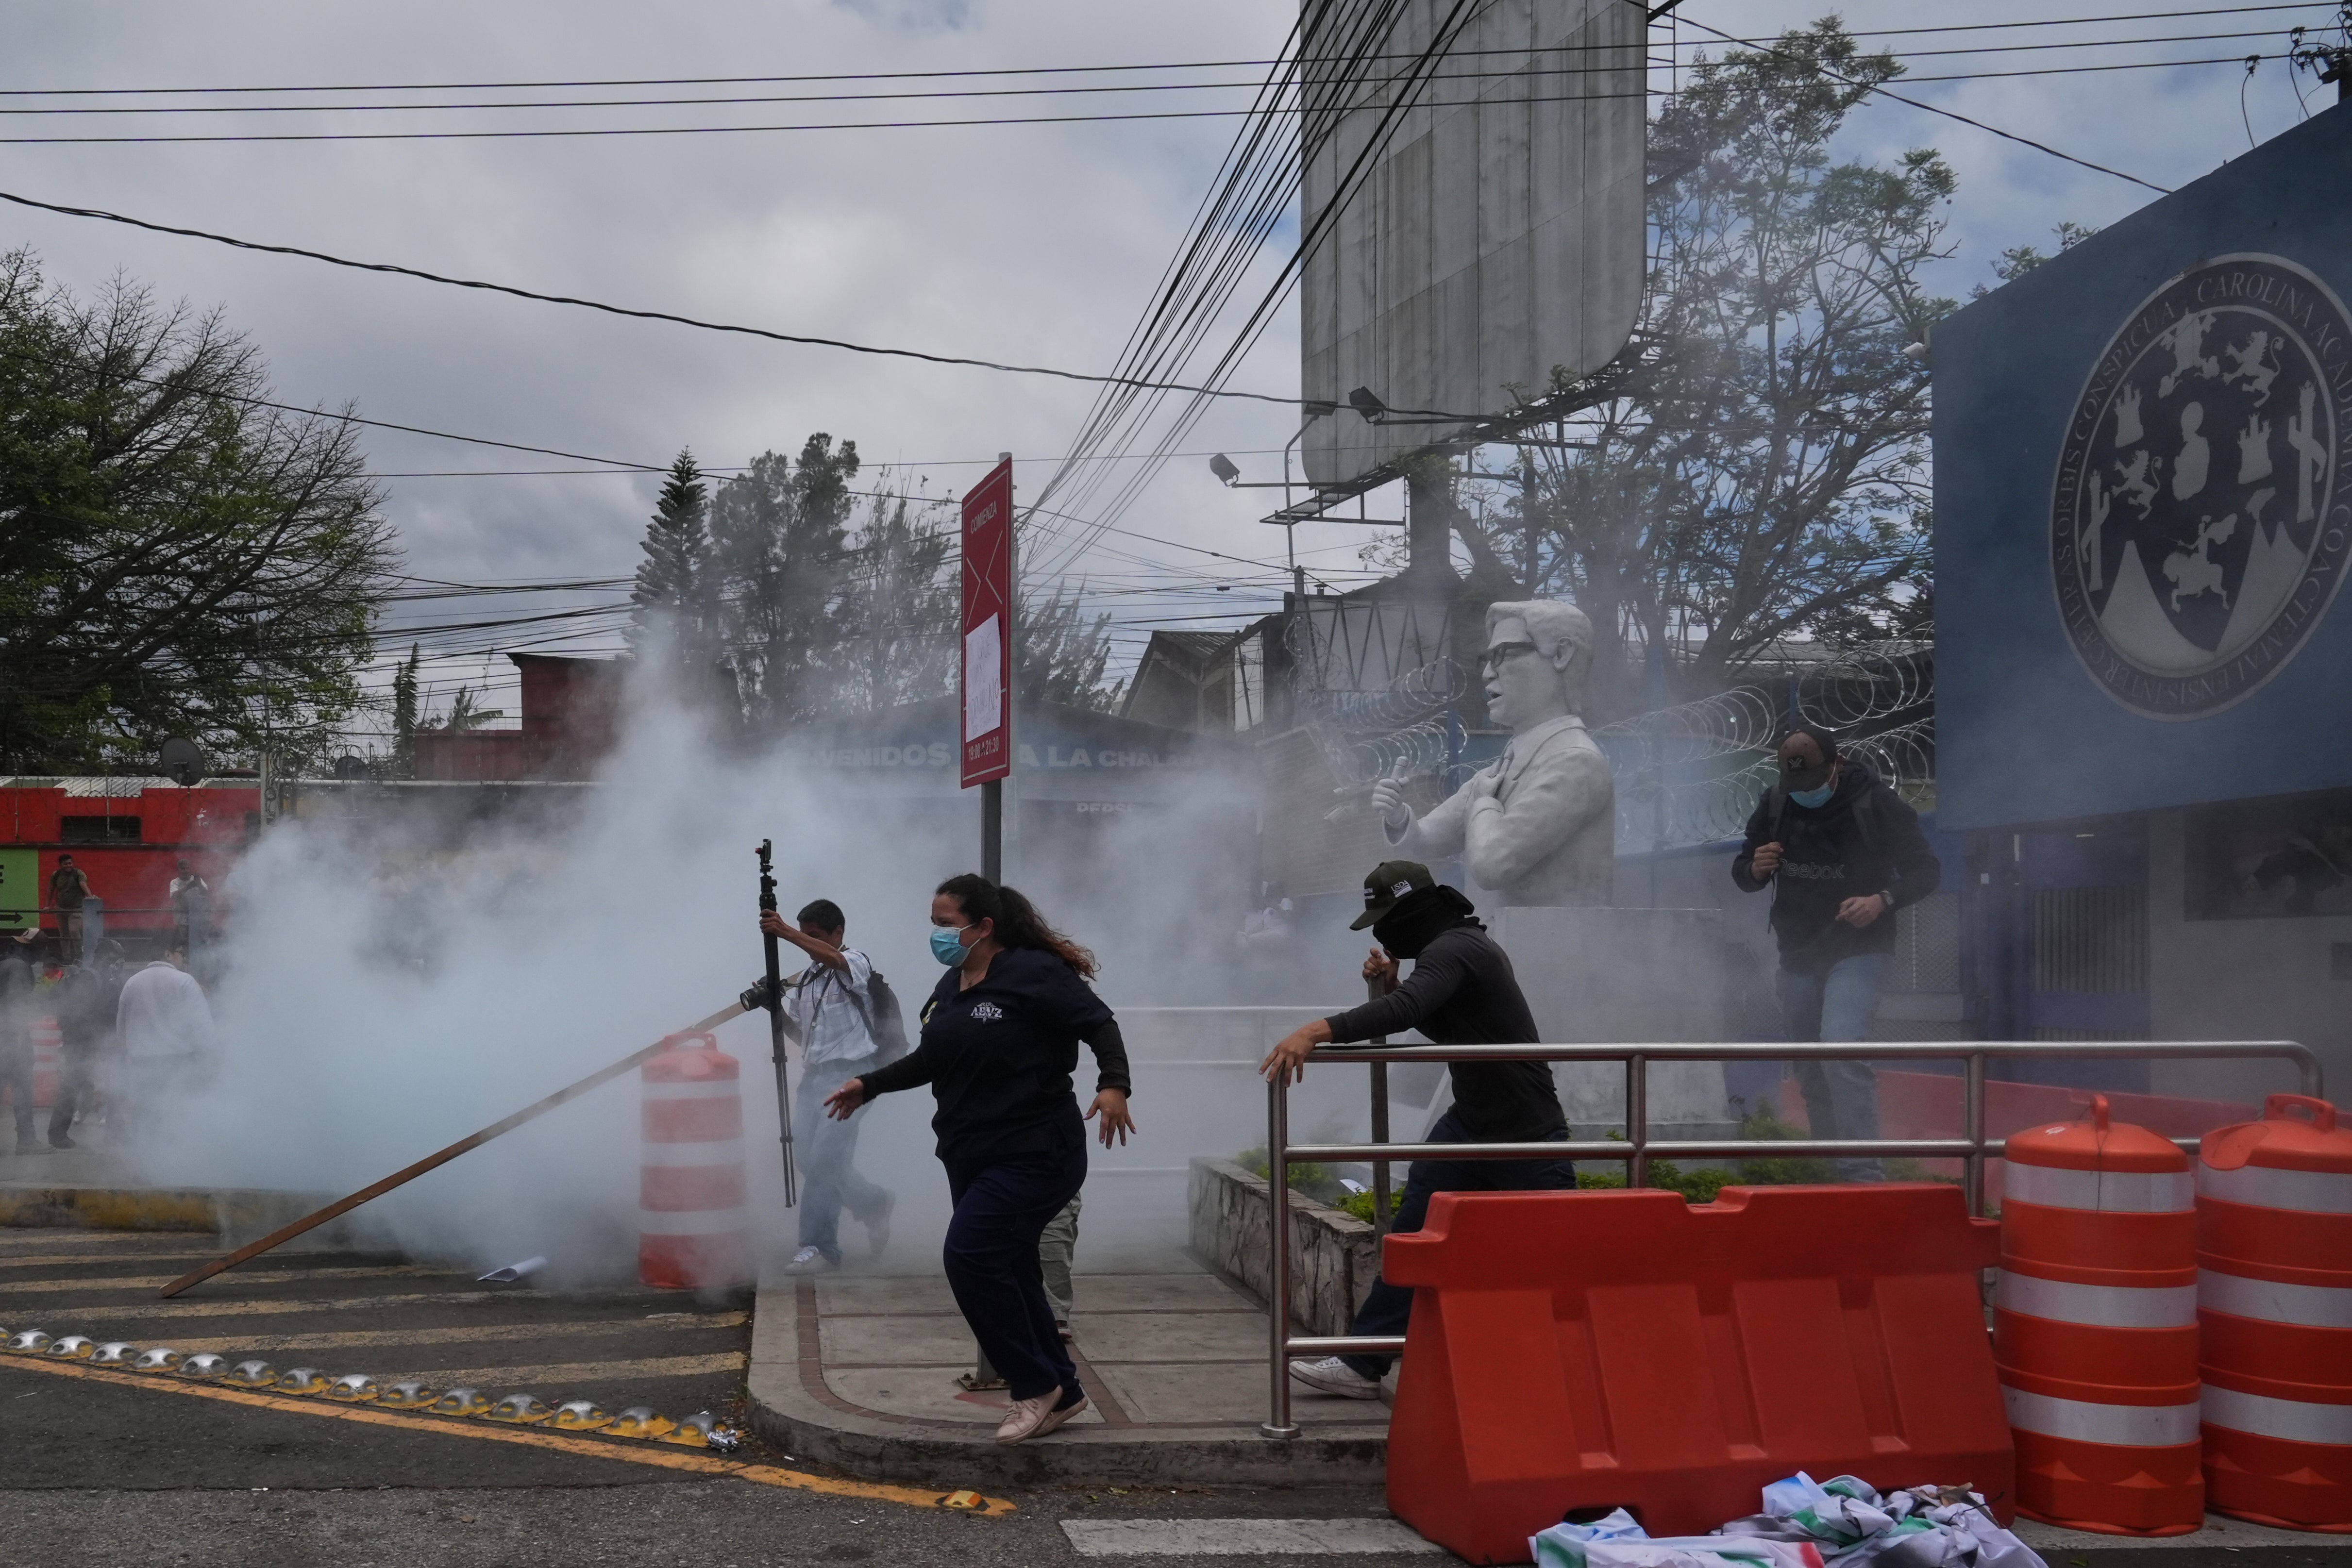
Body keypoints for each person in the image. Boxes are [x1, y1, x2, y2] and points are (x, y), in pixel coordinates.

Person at [822, 874, 1136, 1446]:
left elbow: (1099, 1023)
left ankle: (1033, 1384)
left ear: (983, 926)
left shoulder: (1033, 973)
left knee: (968, 1255)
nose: (936, 934)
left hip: (1036, 1149)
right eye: (934, 923)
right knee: (1012, 1268)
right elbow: (930, 1058)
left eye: (945, 924)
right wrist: (868, 1084)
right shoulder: (953, 982)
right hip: (968, 1151)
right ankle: (1063, 1391)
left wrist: (1114, 1084)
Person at [1262, 860, 1575, 1401]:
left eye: (1389, 915)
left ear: (1416, 908)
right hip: (1470, 1123)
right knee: (1413, 1243)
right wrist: (1392, 984)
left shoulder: (1457, 948)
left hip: (1527, 1132)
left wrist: (1315, 1030)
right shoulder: (1452, 949)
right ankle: (1362, 1364)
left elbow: (1407, 1009)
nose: (1385, 930)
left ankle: (1579, 1366)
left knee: (1559, 1259)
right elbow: (1438, 1018)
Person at [1731, 725, 1942, 1181]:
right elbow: (1743, 872)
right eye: (1796, 786)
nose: (1804, 793)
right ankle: (1829, 1162)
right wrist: (1755, 868)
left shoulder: (1876, 803)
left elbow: (1927, 870)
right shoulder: (1776, 802)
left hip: (1859, 947)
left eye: (1812, 784)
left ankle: (1863, 1172)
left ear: (1836, 765)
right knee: (1809, 1067)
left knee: (1842, 1049)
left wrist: (1881, 900)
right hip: (1799, 954)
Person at [756, 897, 896, 1276]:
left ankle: (820, 1247)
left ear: (839, 933)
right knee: (807, 1158)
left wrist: (783, 932)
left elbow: (835, 960)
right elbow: (804, 1037)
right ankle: (873, 1204)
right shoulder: (808, 982)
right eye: (804, 936)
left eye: (814, 937)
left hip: (853, 1076)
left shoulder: (856, 963)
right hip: (815, 1076)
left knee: (826, 1161)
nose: (807, 944)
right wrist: (775, 1009)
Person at [113, 947, 217, 1144]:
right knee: (177, 1112)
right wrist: (211, 1056)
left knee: (146, 1114)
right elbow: (202, 1024)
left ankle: (146, 1161)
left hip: (142, 1060)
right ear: (168, 954)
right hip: (177, 1060)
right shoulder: (184, 981)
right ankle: (173, 1159)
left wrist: (126, 1053)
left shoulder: (132, 982)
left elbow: (122, 1024)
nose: (183, 958)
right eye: (180, 953)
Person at [50, 942, 128, 1150]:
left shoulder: (104, 979)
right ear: (105, 957)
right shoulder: (89, 978)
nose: (118, 964)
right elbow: (80, 1012)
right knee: (73, 1085)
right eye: (116, 959)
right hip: (83, 1042)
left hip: (98, 1040)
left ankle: (116, 1134)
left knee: (114, 1084)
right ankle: (57, 1134)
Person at [0, 928, 43, 1155]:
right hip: (11, 1040)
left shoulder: (5, 962)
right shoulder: (19, 967)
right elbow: (15, 1005)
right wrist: (17, 1042)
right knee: (22, 1091)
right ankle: (26, 1141)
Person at [49, 854, 92, 966]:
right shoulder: (56, 875)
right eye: (66, 864)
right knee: (64, 935)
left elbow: (83, 884)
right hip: (61, 909)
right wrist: (47, 906)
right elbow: (51, 890)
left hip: (76, 909)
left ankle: (79, 957)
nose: (69, 866)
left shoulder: (79, 874)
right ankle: (66, 959)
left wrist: (90, 896)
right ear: (61, 865)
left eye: (70, 863)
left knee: (74, 931)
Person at [168, 859, 211, 952]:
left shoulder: (196, 881)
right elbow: (174, 896)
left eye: (188, 868)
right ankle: (188, 958)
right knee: (186, 939)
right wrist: (188, 887)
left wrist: (199, 884)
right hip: (182, 915)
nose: (186, 871)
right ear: (179, 870)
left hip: (198, 915)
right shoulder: (175, 882)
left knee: (201, 939)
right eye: (183, 869)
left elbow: (207, 894)